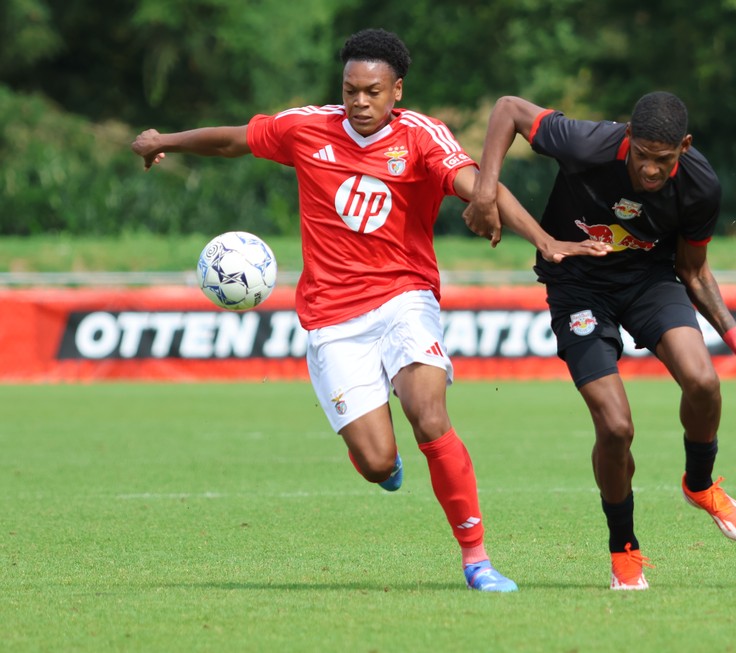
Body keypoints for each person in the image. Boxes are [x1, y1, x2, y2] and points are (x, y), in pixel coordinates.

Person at [131, 29, 608, 593]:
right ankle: (383, 464)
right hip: (333, 320)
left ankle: (477, 559)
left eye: (373, 91)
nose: (360, 101)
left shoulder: (423, 137)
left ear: (396, 91)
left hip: (405, 299)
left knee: (429, 415)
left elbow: (477, 183)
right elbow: (235, 140)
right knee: (378, 461)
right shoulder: (306, 128)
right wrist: (166, 140)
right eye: (351, 89)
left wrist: (546, 241)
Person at [463, 92, 736, 590]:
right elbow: (507, 108)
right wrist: (485, 192)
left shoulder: (700, 185)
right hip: (576, 284)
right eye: (643, 157)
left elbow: (693, 272)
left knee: (704, 381)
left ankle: (699, 485)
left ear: (685, 146)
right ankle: (625, 550)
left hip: (649, 283)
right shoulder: (587, 143)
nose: (653, 171)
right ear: (629, 138)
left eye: (665, 160)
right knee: (615, 427)